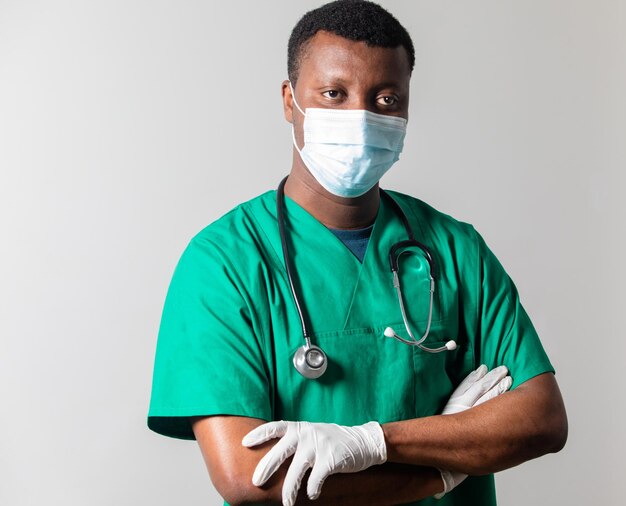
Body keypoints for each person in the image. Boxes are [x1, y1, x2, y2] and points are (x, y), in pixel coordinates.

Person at [147, 1, 568, 504]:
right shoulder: (223, 262)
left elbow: (542, 418)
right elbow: (249, 477)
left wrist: (374, 443)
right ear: (289, 100)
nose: (361, 118)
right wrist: (440, 471)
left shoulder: (456, 249)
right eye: (333, 94)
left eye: (386, 99)